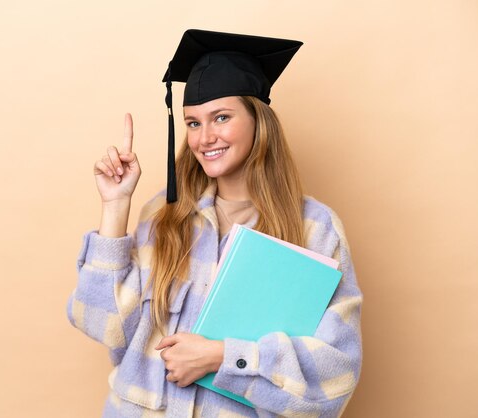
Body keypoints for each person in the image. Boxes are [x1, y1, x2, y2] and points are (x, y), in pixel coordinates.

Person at [67, 29, 363, 418]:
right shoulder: (164, 215)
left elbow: (334, 376)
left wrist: (222, 357)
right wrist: (115, 207)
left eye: (221, 118)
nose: (205, 137)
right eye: (192, 123)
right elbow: (103, 326)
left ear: (259, 120)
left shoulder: (314, 229)